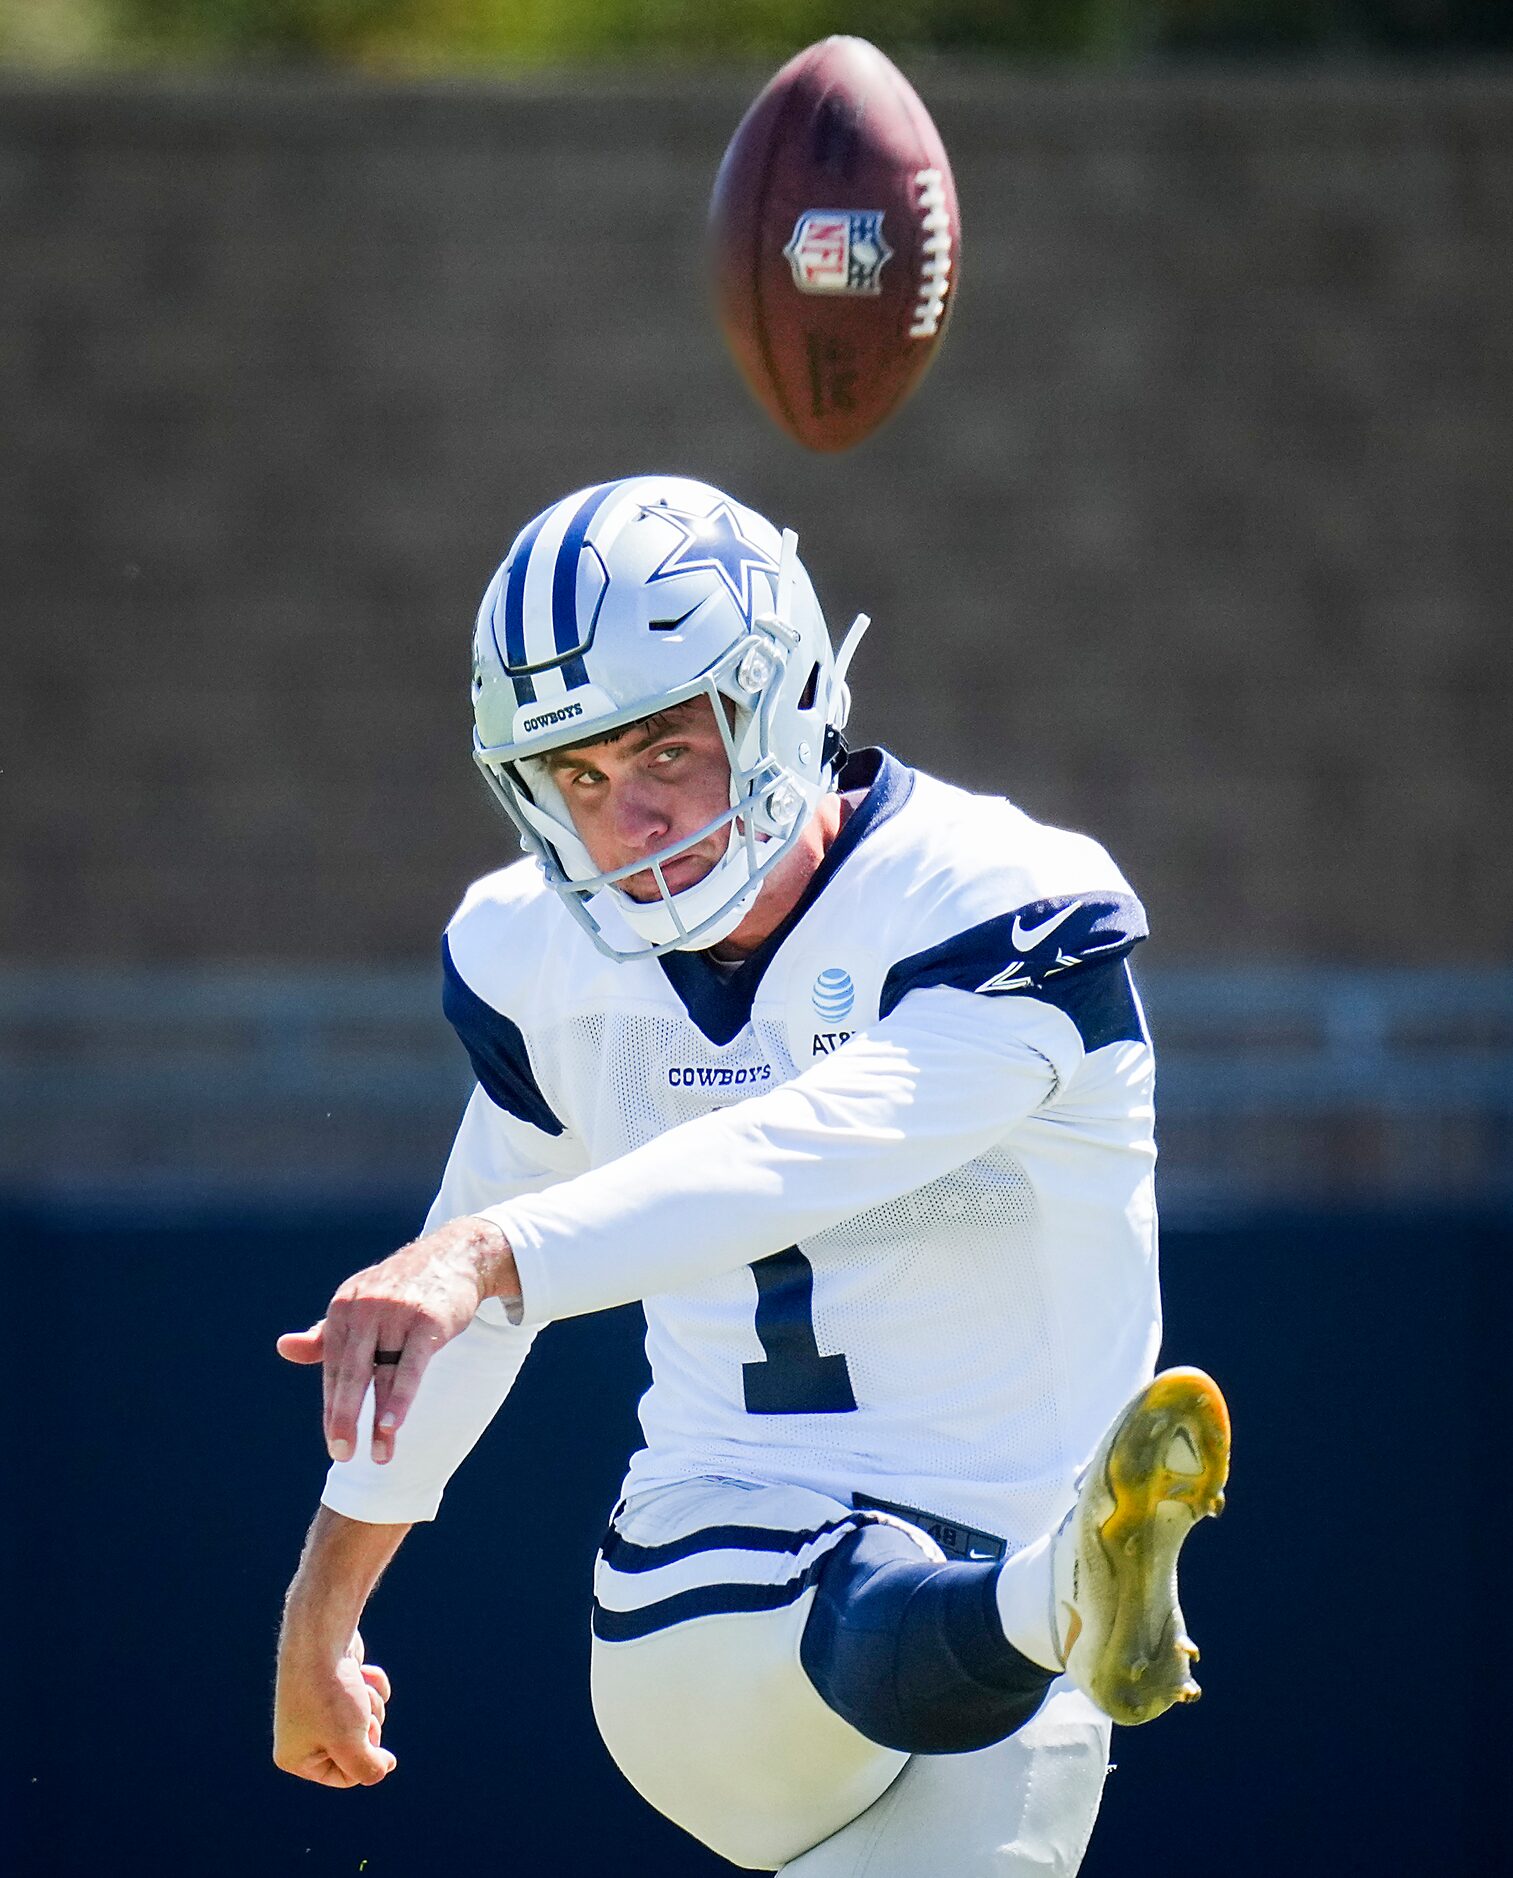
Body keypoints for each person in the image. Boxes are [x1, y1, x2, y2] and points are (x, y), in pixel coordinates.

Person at [272, 475, 1230, 1874]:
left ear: (779, 700)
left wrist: (492, 1251)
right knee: (718, 1603)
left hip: (987, 1640)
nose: (628, 822)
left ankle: (1047, 1603)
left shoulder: (996, 900)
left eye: (665, 753)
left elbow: (810, 1149)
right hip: (725, 1586)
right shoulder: (539, 955)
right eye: (580, 779)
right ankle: (1066, 1598)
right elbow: (464, 1314)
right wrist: (321, 1613)